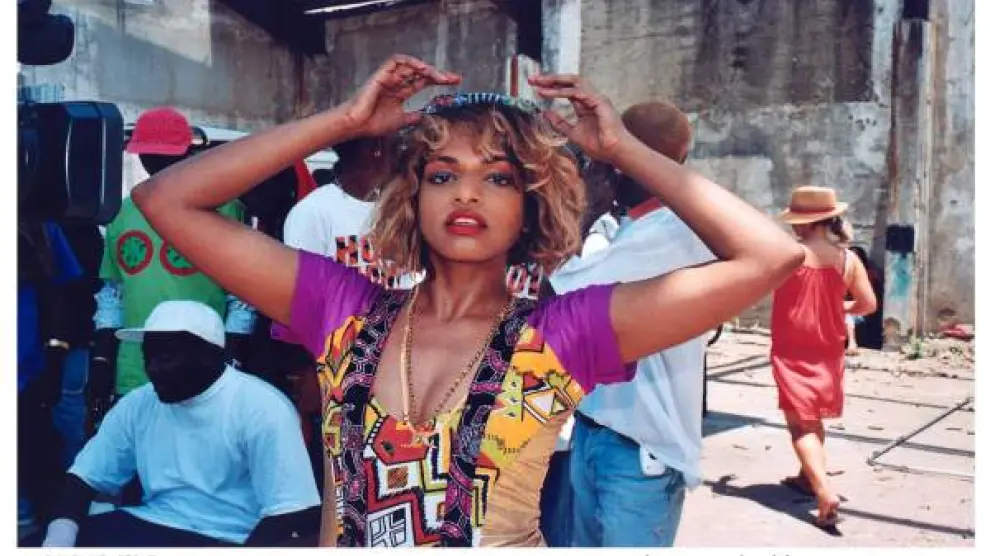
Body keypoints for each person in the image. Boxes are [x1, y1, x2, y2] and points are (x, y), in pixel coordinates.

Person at [127, 54, 803, 547]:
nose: (468, 193)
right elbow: (165, 200)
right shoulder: (343, 311)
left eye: (498, 178)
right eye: (443, 174)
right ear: (413, 196)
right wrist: (343, 121)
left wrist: (622, 149)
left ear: (531, 204)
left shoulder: (564, 334)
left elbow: (771, 256)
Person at [546, 100, 717, 547]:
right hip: (601, 431)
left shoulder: (668, 232)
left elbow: (559, 299)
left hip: (638, 451)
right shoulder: (637, 229)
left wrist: (585, 207)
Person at [38, 301, 321, 548]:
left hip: (231, 538)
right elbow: (82, 479)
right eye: (148, 356)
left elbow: (292, 513)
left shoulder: (262, 407)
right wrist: (58, 541)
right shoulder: (139, 403)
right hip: (151, 522)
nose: (152, 368)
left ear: (210, 357)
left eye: (165, 357)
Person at [88, 107, 257, 428]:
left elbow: (241, 295)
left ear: (187, 154)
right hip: (134, 371)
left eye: (167, 156)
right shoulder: (123, 213)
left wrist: (231, 357)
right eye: (149, 155)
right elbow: (113, 294)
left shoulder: (225, 209)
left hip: (202, 369)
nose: (157, 163)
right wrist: (102, 360)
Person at [772, 186, 877, 528]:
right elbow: (867, 305)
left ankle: (823, 491)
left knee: (799, 426)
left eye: (795, 221)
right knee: (813, 418)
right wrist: (837, 307)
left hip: (791, 350)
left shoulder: (788, 255)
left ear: (806, 222)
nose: (793, 226)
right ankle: (807, 477)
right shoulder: (848, 259)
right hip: (828, 350)